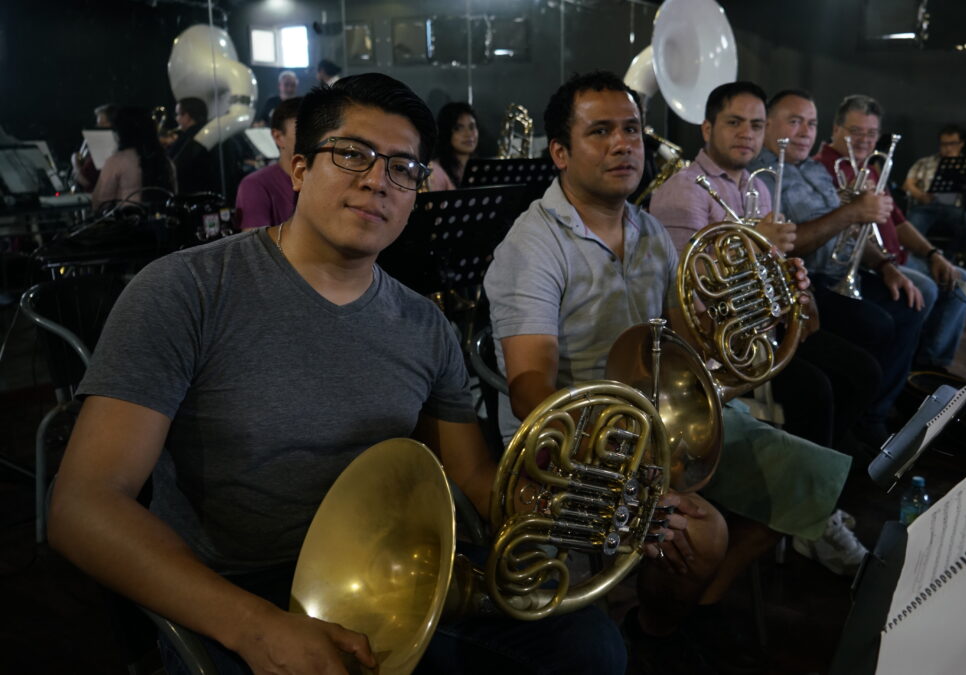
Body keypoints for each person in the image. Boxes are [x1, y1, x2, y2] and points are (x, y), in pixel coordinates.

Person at [49, 74, 625, 675]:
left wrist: (568, 506)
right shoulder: (186, 290)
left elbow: (476, 476)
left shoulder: (424, 324)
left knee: (590, 646)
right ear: (298, 169)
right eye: (352, 154)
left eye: (404, 167)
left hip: (397, 574)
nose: (378, 179)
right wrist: (257, 627)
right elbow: (83, 504)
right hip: (242, 591)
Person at [484, 71, 732, 674]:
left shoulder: (649, 230)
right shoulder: (533, 244)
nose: (625, 144)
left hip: (652, 428)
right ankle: (650, 625)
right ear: (560, 153)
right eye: (601, 132)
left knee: (779, 480)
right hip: (579, 443)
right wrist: (622, 472)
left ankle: (651, 625)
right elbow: (528, 390)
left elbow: (678, 345)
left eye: (631, 130)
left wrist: (728, 319)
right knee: (705, 538)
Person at [646, 82, 866, 588]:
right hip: (719, 348)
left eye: (756, 125)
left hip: (759, 329)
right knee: (818, 390)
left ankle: (815, 508)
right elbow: (688, 300)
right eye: (734, 123)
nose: (747, 134)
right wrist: (752, 247)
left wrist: (789, 280)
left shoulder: (757, 186)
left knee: (861, 370)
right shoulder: (684, 192)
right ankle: (810, 515)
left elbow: (763, 269)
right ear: (707, 129)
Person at [748, 89, 921, 447]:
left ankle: (871, 413)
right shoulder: (764, 173)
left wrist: (886, 265)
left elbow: (850, 230)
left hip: (839, 277)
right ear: (767, 126)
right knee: (874, 328)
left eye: (811, 124)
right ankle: (855, 425)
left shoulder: (813, 167)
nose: (805, 132)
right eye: (794, 122)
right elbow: (791, 243)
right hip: (807, 282)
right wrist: (853, 212)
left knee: (908, 307)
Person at [817, 95, 966, 375]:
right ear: (836, 130)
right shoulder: (822, 168)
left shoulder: (869, 168)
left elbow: (898, 222)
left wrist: (933, 254)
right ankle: (910, 370)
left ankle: (929, 366)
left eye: (872, 133)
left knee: (959, 282)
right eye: (855, 131)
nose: (864, 140)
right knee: (926, 289)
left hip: (900, 258)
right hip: (868, 264)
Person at [901, 124, 966, 265]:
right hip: (925, 207)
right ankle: (916, 264)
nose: (948, 148)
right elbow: (908, 184)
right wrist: (920, 195)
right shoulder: (925, 162)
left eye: (953, 144)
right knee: (911, 228)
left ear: (961, 144)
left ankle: (948, 261)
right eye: (944, 144)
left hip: (954, 209)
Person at [91, 106, 177, 209]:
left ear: (121, 132)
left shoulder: (117, 161)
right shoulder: (165, 160)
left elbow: (100, 202)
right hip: (162, 221)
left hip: (128, 221)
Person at [235, 97, 301, 229]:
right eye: (303, 133)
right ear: (278, 137)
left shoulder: (327, 180)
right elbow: (255, 246)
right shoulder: (255, 185)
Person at [168, 97, 218, 194]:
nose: (176, 119)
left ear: (187, 116)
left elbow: (171, 166)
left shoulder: (189, 137)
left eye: (178, 114)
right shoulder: (207, 131)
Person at [426, 102, 479, 191]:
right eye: (458, 128)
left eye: (472, 127)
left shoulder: (480, 167)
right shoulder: (436, 171)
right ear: (446, 133)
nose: (468, 134)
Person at [71, 103, 117, 192]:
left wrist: (75, 163)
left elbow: (87, 183)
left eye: (102, 124)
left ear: (113, 124)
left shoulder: (107, 148)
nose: (98, 127)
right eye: (98, 124)